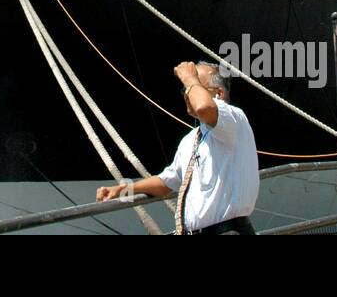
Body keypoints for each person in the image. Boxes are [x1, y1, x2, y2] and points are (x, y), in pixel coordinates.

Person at [97, 61, 259, 234]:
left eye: (193, 87)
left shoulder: (234, 118)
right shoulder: (191, 139)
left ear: (219, 93)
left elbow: (204, 107)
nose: (187, 93)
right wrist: (123, 189)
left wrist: (189, 77)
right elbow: (166, 182)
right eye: (185, 89)